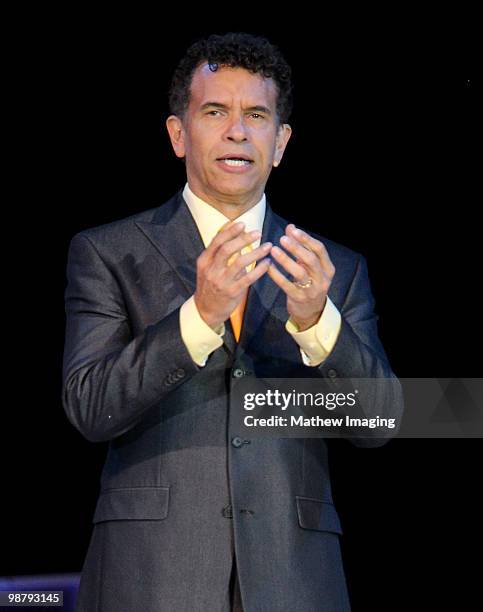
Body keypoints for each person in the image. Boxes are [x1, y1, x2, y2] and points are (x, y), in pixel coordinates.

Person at [62, 32, 403, 612]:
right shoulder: (107, 252)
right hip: (151, 577)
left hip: (295, 582)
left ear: (280, 143)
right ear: (178, 133)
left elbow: (383, 421)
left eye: (257, 116)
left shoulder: (334, 270)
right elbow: (90, 407)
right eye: (215, 111)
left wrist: (319, 323)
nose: (237, 131)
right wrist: (198, 318)